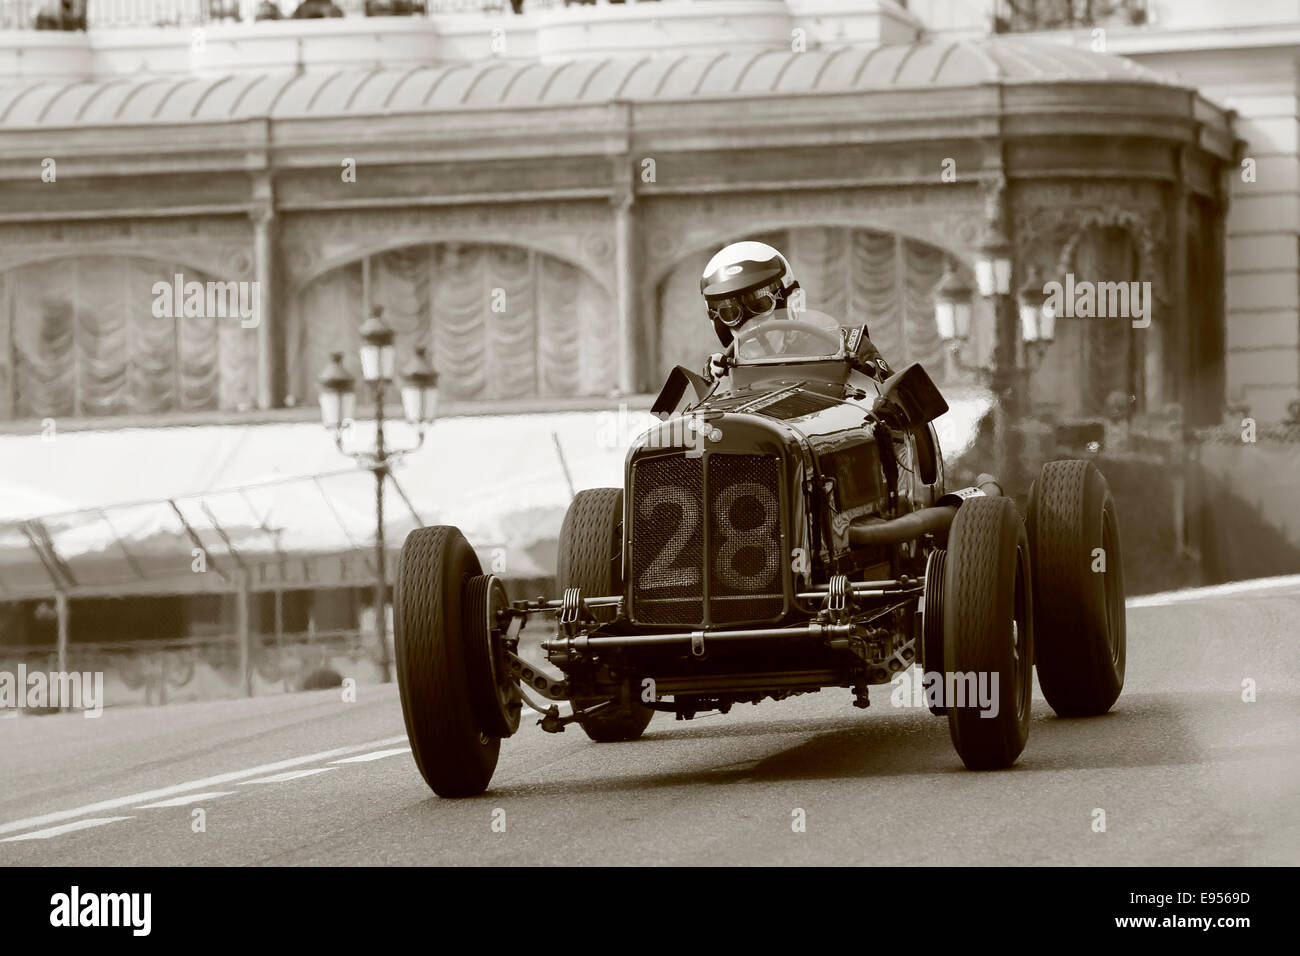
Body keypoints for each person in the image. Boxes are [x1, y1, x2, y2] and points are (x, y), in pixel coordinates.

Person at [698, 240, 892, 383]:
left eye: (761, 305)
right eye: (731, 314)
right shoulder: (720, 374)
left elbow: (906, 417)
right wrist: (716, 383)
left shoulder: (848, 346)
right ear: (718, 323)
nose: (750, 323)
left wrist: (863, 374)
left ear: (792, 302)